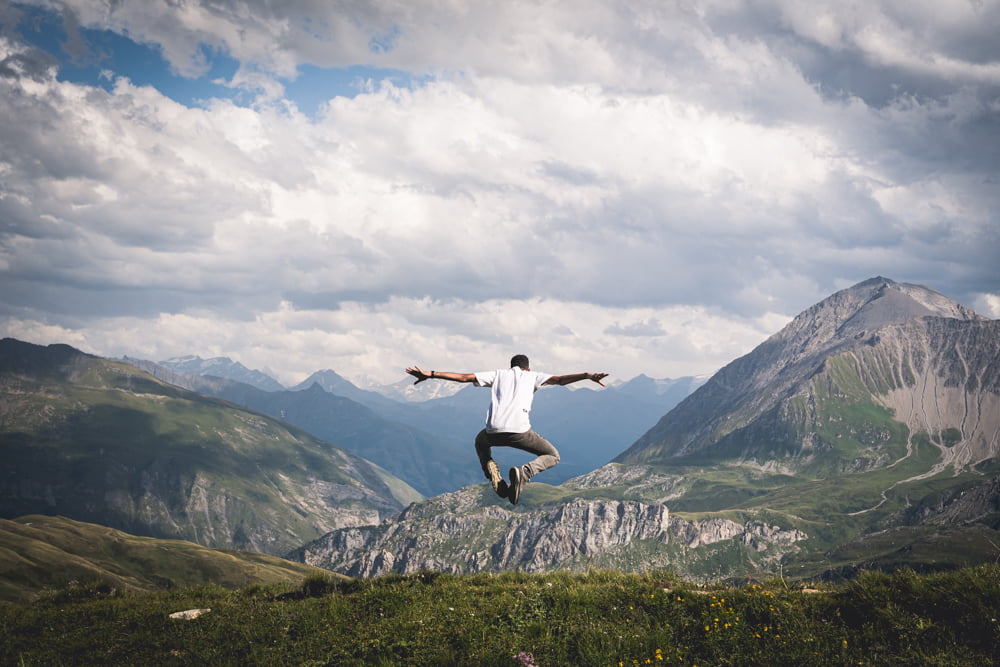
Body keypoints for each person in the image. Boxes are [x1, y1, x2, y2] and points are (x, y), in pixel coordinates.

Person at [405, 355, 608, 505]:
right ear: (527, 369)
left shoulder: (498, 375)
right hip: (520, 432)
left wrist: (430, 374)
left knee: (480, 442)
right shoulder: (533, 377)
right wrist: (587, 375)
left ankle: (490, 468)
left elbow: (464, 377)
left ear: (511, 367)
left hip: (492, 430)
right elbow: (561, 380)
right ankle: (524, 472)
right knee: (552, 455)